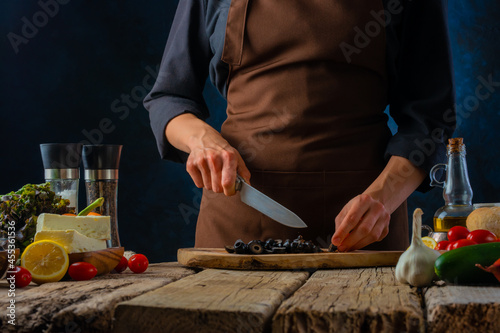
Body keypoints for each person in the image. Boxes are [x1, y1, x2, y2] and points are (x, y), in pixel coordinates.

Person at [144, 0, 456, 251]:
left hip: (364, 229)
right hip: (237, 216)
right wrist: (202, 141)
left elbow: (429, 120)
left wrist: (382, 199)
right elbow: (169, 98)